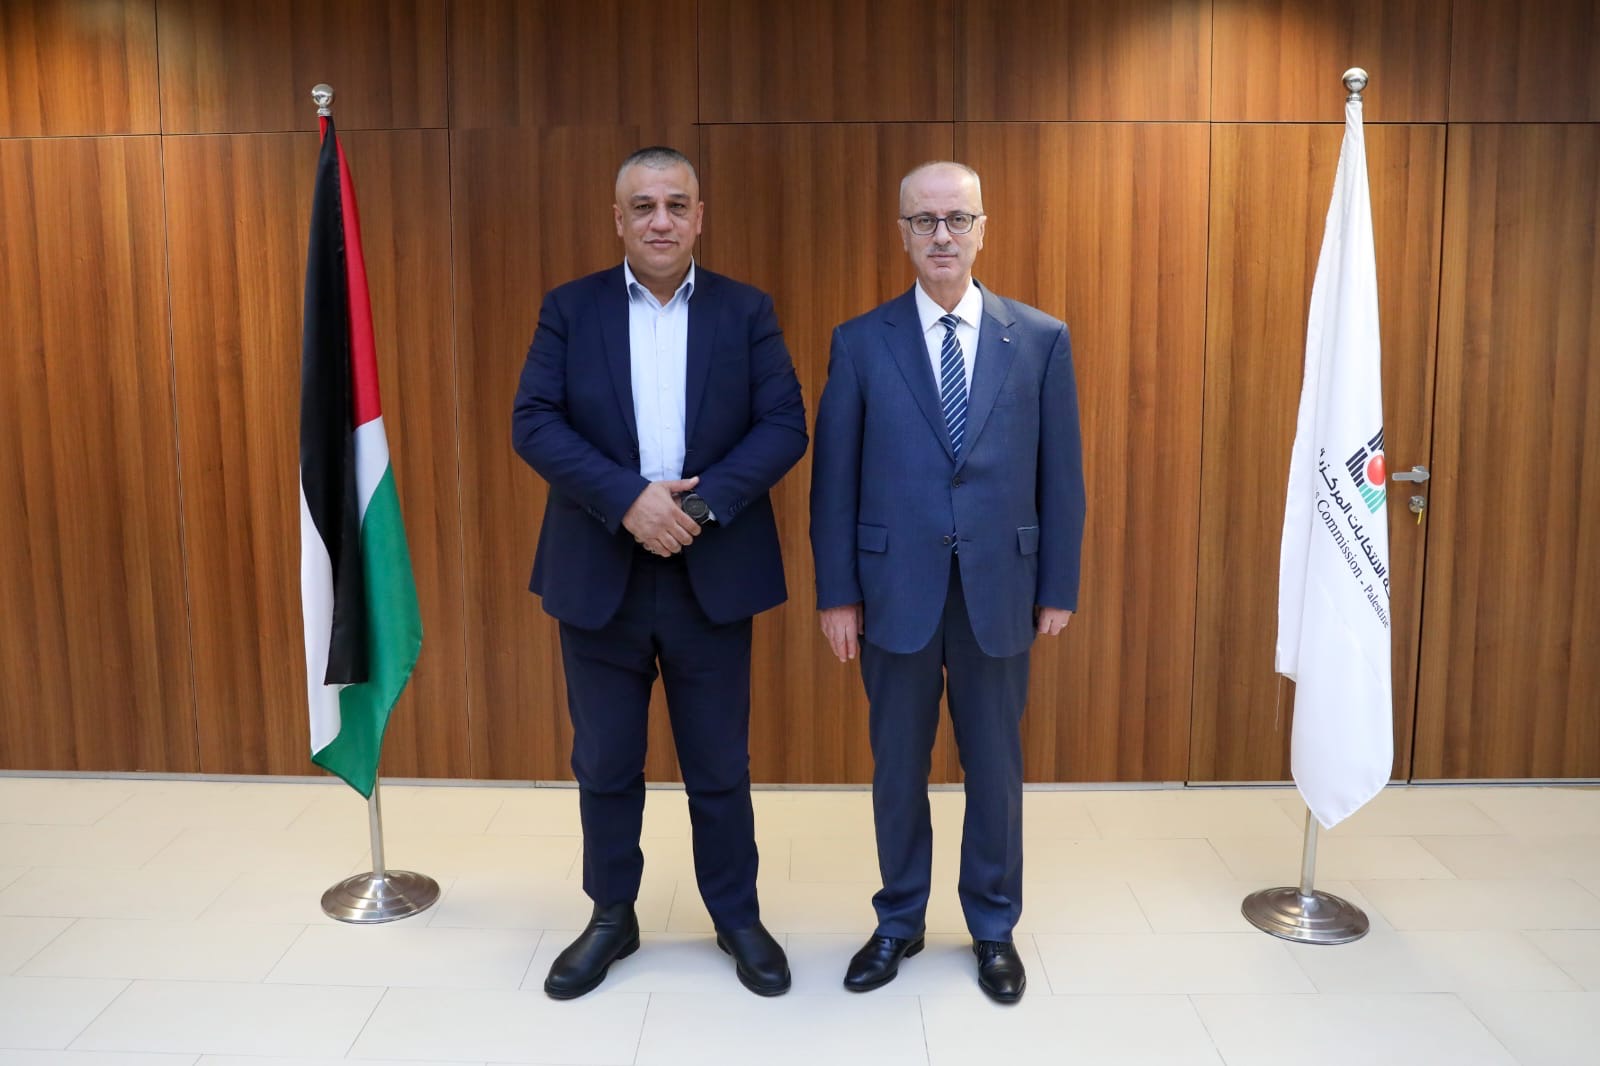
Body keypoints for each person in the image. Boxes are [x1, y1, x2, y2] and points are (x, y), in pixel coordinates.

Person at [513, 146, 807, 999]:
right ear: (618, 220)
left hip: (711, 572)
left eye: (677, 204)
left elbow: (784, 425)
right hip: (598, 571)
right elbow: (534, 421)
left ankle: (736, 915)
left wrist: (695, 510)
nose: (661, 221)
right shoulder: (570, 309)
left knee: (719, 762)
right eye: (643, 206)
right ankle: (612, 915)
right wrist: (629, 502)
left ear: (700, 216)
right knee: (605, 761)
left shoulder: (746, 311)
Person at [809, 161, 1085, 1003]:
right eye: (924, 220)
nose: (941, 235)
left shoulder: (1038, 338)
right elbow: (833, 481)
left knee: (995, 767)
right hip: (893, 592)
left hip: (1001, 589)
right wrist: (837, 593)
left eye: (957, 219)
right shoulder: (861, 342)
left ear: (982, 229)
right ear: (902, 233)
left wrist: (1059, 585)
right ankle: (898, 920)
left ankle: (993, 926)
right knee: (897, 766)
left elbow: (1062, 475)